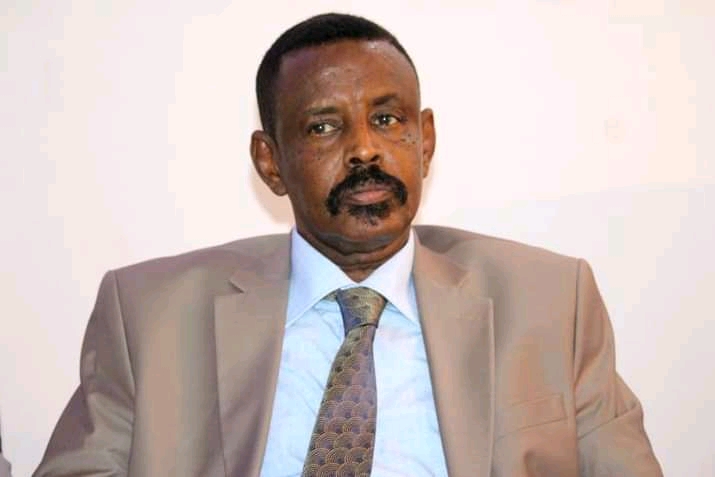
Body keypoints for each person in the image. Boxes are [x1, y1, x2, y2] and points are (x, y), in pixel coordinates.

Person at [34, 12, 663, 477]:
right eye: (324, 127)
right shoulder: (149, 315)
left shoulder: (550, 302)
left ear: (425, 141)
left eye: (388, 120)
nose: (365, 149)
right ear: (270, 162)